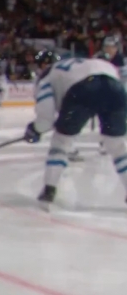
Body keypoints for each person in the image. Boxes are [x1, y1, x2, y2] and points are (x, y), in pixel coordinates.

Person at [23, 51, 127, 208]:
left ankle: (49, 190)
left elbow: (45, 120)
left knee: (61, 142)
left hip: (82, 90)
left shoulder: (46, 78)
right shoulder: (84, 63)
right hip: (115, 87)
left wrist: (35, 129)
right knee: (117, 146)